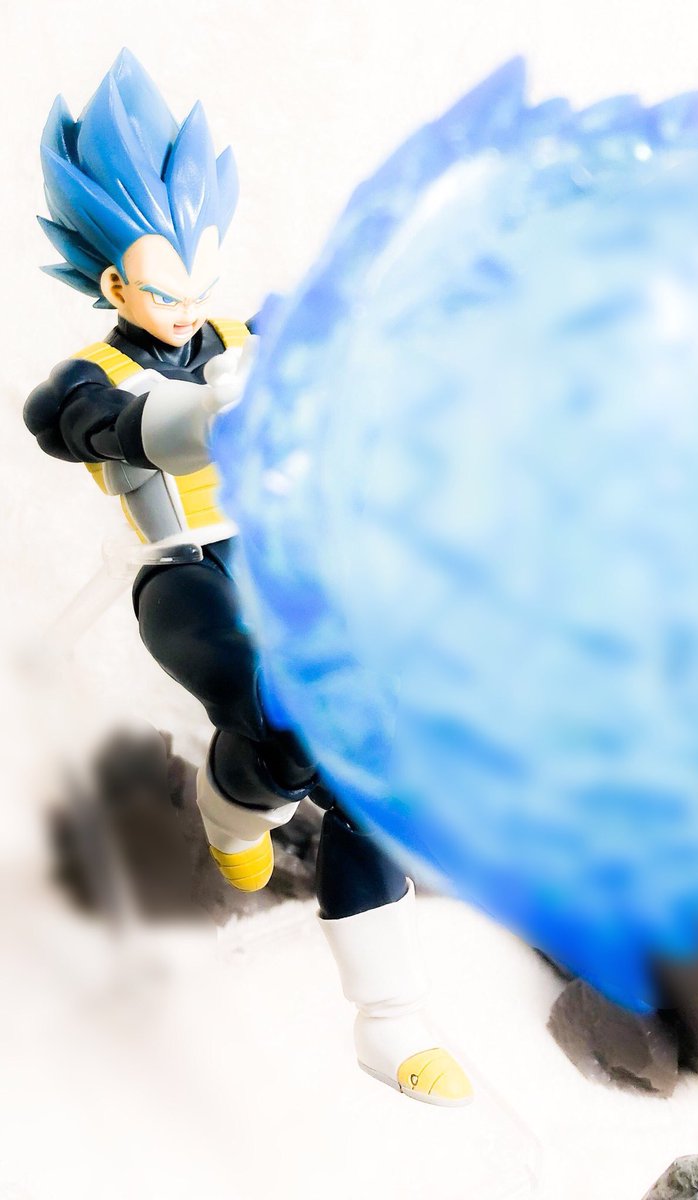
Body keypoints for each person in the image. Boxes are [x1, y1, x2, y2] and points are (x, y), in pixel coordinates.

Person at [24, 49, 472, 1105]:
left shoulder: (241, 330)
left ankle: (388, 1019)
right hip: (181, 571)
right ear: (113, 286)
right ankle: (235, 818)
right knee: (278, 718)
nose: (189, 307)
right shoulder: (89, 378)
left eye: (200, 280)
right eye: (163, 289)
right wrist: (214, 413)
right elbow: (93, 423)